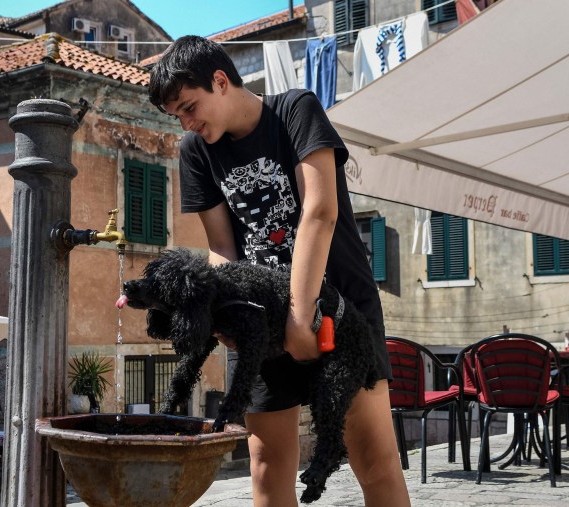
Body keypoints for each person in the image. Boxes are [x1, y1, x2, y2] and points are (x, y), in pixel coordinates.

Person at [149, 36, 410, 506]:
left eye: (190, 107)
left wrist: (299, 317)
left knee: (374, 462)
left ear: (221, 82)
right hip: (262, 323)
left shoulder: (296, 111)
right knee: (267, 469)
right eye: (178, 116)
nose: (187, 122)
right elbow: (223, 249)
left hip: (341, 309)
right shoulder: (196, 151)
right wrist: (224, 316)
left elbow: (319, 212)